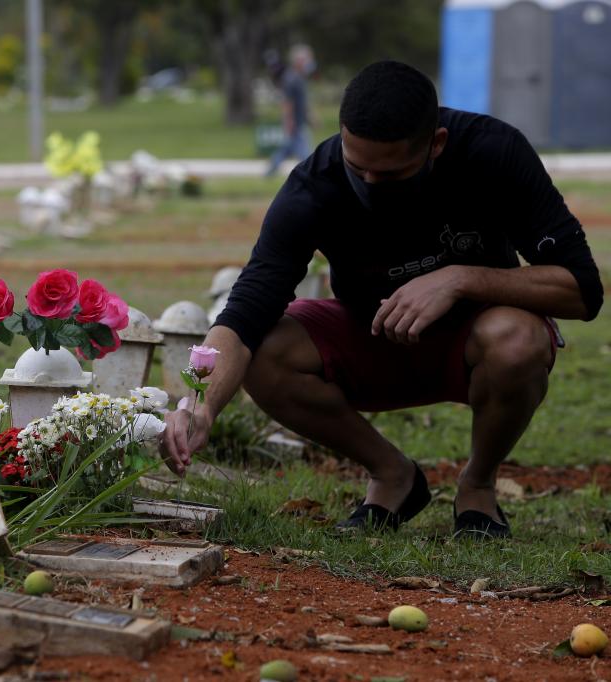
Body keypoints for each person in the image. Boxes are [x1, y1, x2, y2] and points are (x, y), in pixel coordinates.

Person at [159, 60, 603, 539]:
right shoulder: (314, 186)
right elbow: (244, 313)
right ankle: (394, 475)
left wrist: (460, 279)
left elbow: (582, 289)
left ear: (436, 144)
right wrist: (199, 402)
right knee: (267, 349)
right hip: (373, 339)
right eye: (357, 168)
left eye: (389, 174)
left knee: (517, 339)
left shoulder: (492, 152)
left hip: (477, 343)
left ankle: (477, 486)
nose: (369, 184)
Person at [266, 44, 316, 176]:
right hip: (295, 123)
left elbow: (303, 103)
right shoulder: (291, 79)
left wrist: (311, 118)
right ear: (299, 61)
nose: (309, 62)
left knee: (286, 150)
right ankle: (311, 175)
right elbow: (287, 103)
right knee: (305, 155)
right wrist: (289, 122)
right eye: (307, 59)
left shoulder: (299, 78)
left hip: (299, 122)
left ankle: (269, 172)